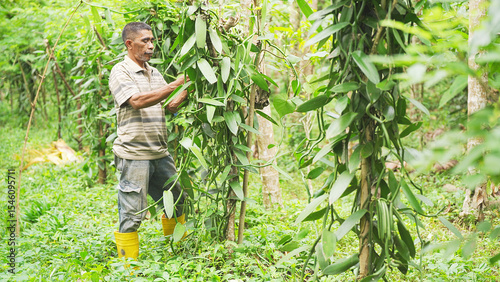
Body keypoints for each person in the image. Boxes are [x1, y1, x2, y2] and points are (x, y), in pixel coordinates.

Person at [109, 22, 189, 260]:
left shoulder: (155, 73)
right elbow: (137, 101)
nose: (151, 46)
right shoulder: (120, 71)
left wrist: (189, 86)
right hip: (134, 155)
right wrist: (176, 84)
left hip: (160, 153)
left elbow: (170, 104)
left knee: (177, 200)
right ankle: (128, 266)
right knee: (133, 213)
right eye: (145, 41)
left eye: (152, 41)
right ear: (129, 44)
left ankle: (178, 253)